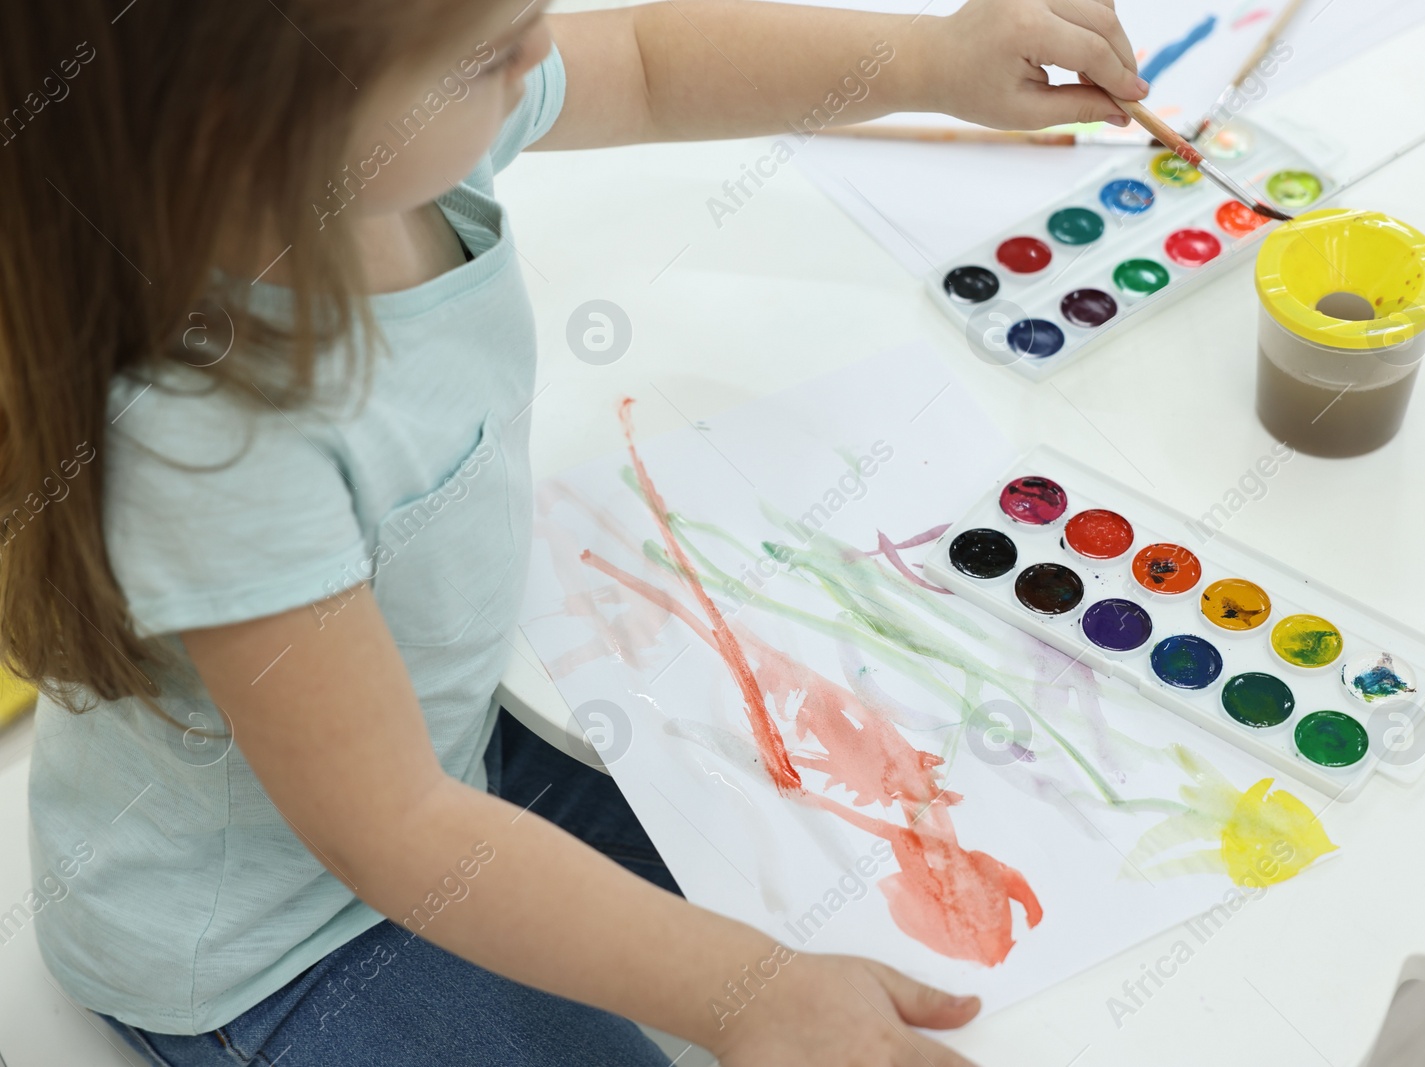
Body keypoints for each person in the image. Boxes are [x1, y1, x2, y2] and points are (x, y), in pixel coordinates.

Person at [3, 1, 1145, 1063]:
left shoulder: (380, 168)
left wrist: (928, 61)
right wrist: (745, 989)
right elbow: (394, 833)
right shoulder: (218, 439)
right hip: (281, 941)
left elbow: (645, 66)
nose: (542, 55)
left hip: (453, 766)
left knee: (875, 905)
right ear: (253, 124)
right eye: (498, 49)